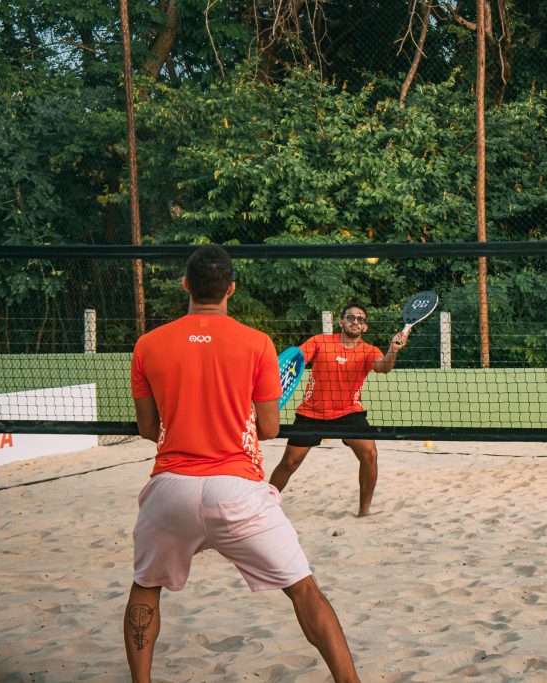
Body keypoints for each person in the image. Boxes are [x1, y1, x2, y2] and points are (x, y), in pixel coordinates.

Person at [125, 245, 360, 683]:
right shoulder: (257, 344)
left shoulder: (148, 345)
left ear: (185, 286)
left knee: (145, 586)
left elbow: (146, 428)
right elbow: (269, 429)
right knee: (304, 590)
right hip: (237, 491)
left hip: (171, 487)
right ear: (231, 288)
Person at [270, 301, 408, 516]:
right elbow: (294, 362)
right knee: (289, 462)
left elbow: (384, 367)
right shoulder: (320, 341)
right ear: (341, 321)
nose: (355, 322)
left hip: (348, 412)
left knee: (369, 454)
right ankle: (264, 506)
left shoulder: (369, 351)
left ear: (365, 327)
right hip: (312, 413)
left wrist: (393, 349)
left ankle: (364, 510)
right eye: (350, 317)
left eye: (360, 319)